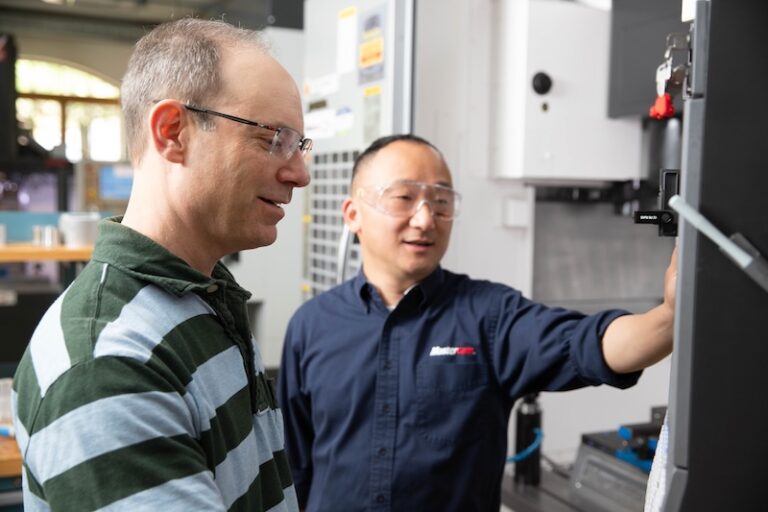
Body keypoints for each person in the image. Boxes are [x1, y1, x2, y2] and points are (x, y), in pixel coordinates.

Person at [278, 134, 676, 511]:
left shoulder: (488, 315)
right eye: (404, 198)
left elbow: (587, 343)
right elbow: (293, 467)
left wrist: (670, 316)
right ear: (353, 215)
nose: (425, 219)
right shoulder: (311, 326)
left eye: (441, 201)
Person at [12, 18, 311, 511]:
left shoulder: (204, 295)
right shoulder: (108, 365)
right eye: (273, 139)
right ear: (173, 132)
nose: (299, 173)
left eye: (298, 145)